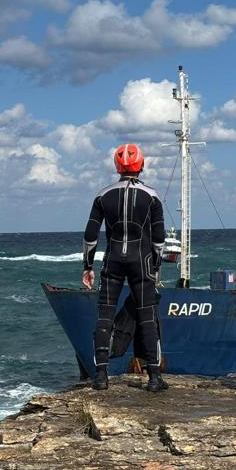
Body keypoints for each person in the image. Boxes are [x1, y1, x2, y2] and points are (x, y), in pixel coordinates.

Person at [82, 144, 167, 392]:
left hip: (113, 261)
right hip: (142, 261)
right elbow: (159, 240)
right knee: (147, 317)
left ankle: (101, 376)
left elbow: (90, 236)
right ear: (142, 165)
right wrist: (156, 265)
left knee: (105, 316)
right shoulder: (152, 196)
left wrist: (88, 266)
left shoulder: (102, 196)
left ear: (117, 166)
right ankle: (154, 378)